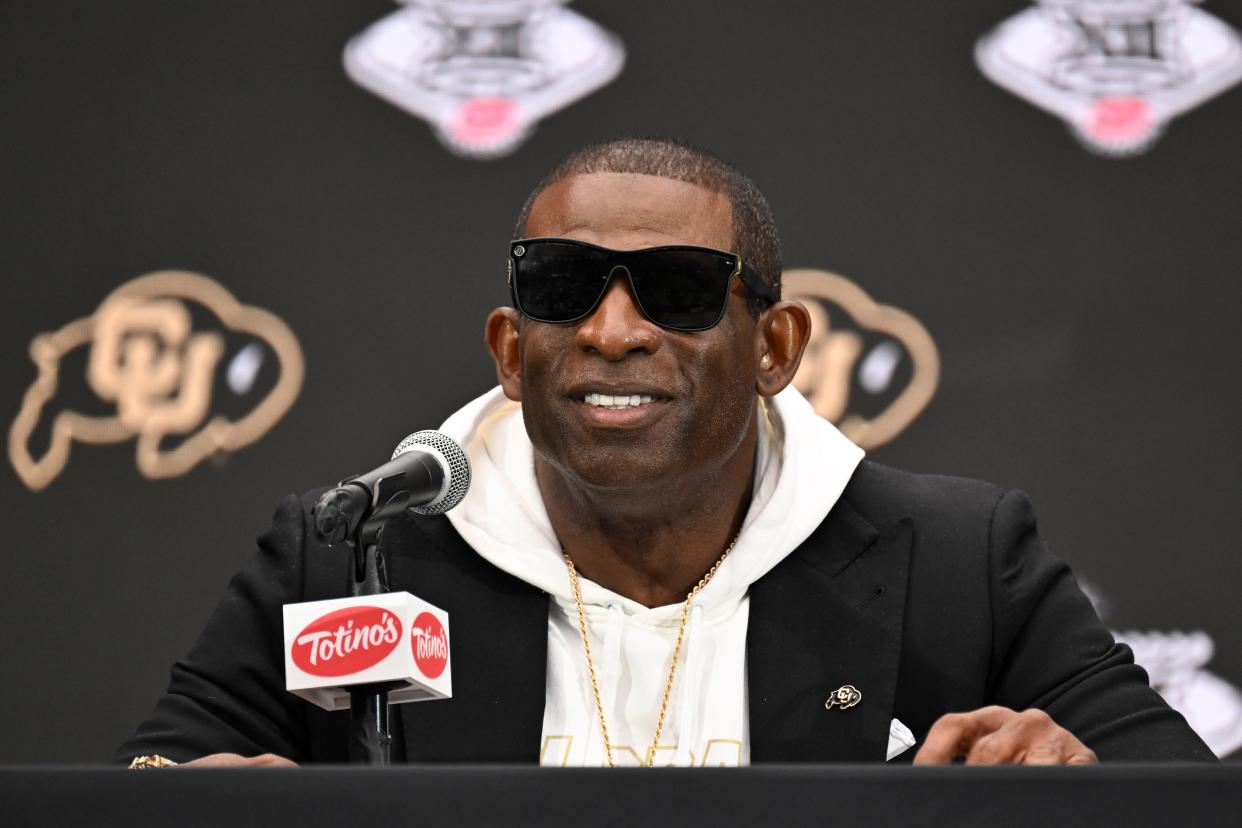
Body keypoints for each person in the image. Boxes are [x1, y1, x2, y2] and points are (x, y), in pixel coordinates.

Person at [117, 138, 1214, 768]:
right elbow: (152, 775)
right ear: (510, 348)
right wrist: (205, 794)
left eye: (679, 289)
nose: (611, 330)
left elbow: (1177, 797)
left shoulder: (958, 557)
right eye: (561, 285)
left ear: (776, 346)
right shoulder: (353, 550)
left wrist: (1076, 785)